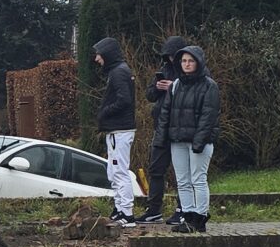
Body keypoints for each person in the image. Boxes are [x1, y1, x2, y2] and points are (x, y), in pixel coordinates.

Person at [158, 43, 221, 233]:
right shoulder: (176, 85)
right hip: (178, 140)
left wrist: (199, 142)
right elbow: (166, 113)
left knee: (198, 179)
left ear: (198, 63)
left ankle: (200, 217)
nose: (186, 64)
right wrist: (161, 139)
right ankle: (187, 215)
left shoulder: (209, 86)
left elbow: (208, 116)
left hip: (198, 141)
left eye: (190, 61)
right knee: (183, 181)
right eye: (183, 61)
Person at [134, 35, 190, 222]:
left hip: (179, 126)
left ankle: (184, 208)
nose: (171, 60)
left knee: (182, 171)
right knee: (156, 168)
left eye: (174, 56)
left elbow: (193, 94)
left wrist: (174, 87)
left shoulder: (188, 71)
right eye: (169, 56)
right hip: (161, 126)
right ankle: (154, 208)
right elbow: (149, 95)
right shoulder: (164, 70)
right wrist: (158, 87)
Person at [89, 36, 140, 225]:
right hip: (117, 130)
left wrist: (104, 113)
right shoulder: (118, 71)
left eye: (98, 55)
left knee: (119, 171)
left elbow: (124, 100)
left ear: (107, 54)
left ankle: (127, 213)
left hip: (120, 130)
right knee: (114, 171)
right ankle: (119, 209)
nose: (96, 59)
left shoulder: (119, 73)